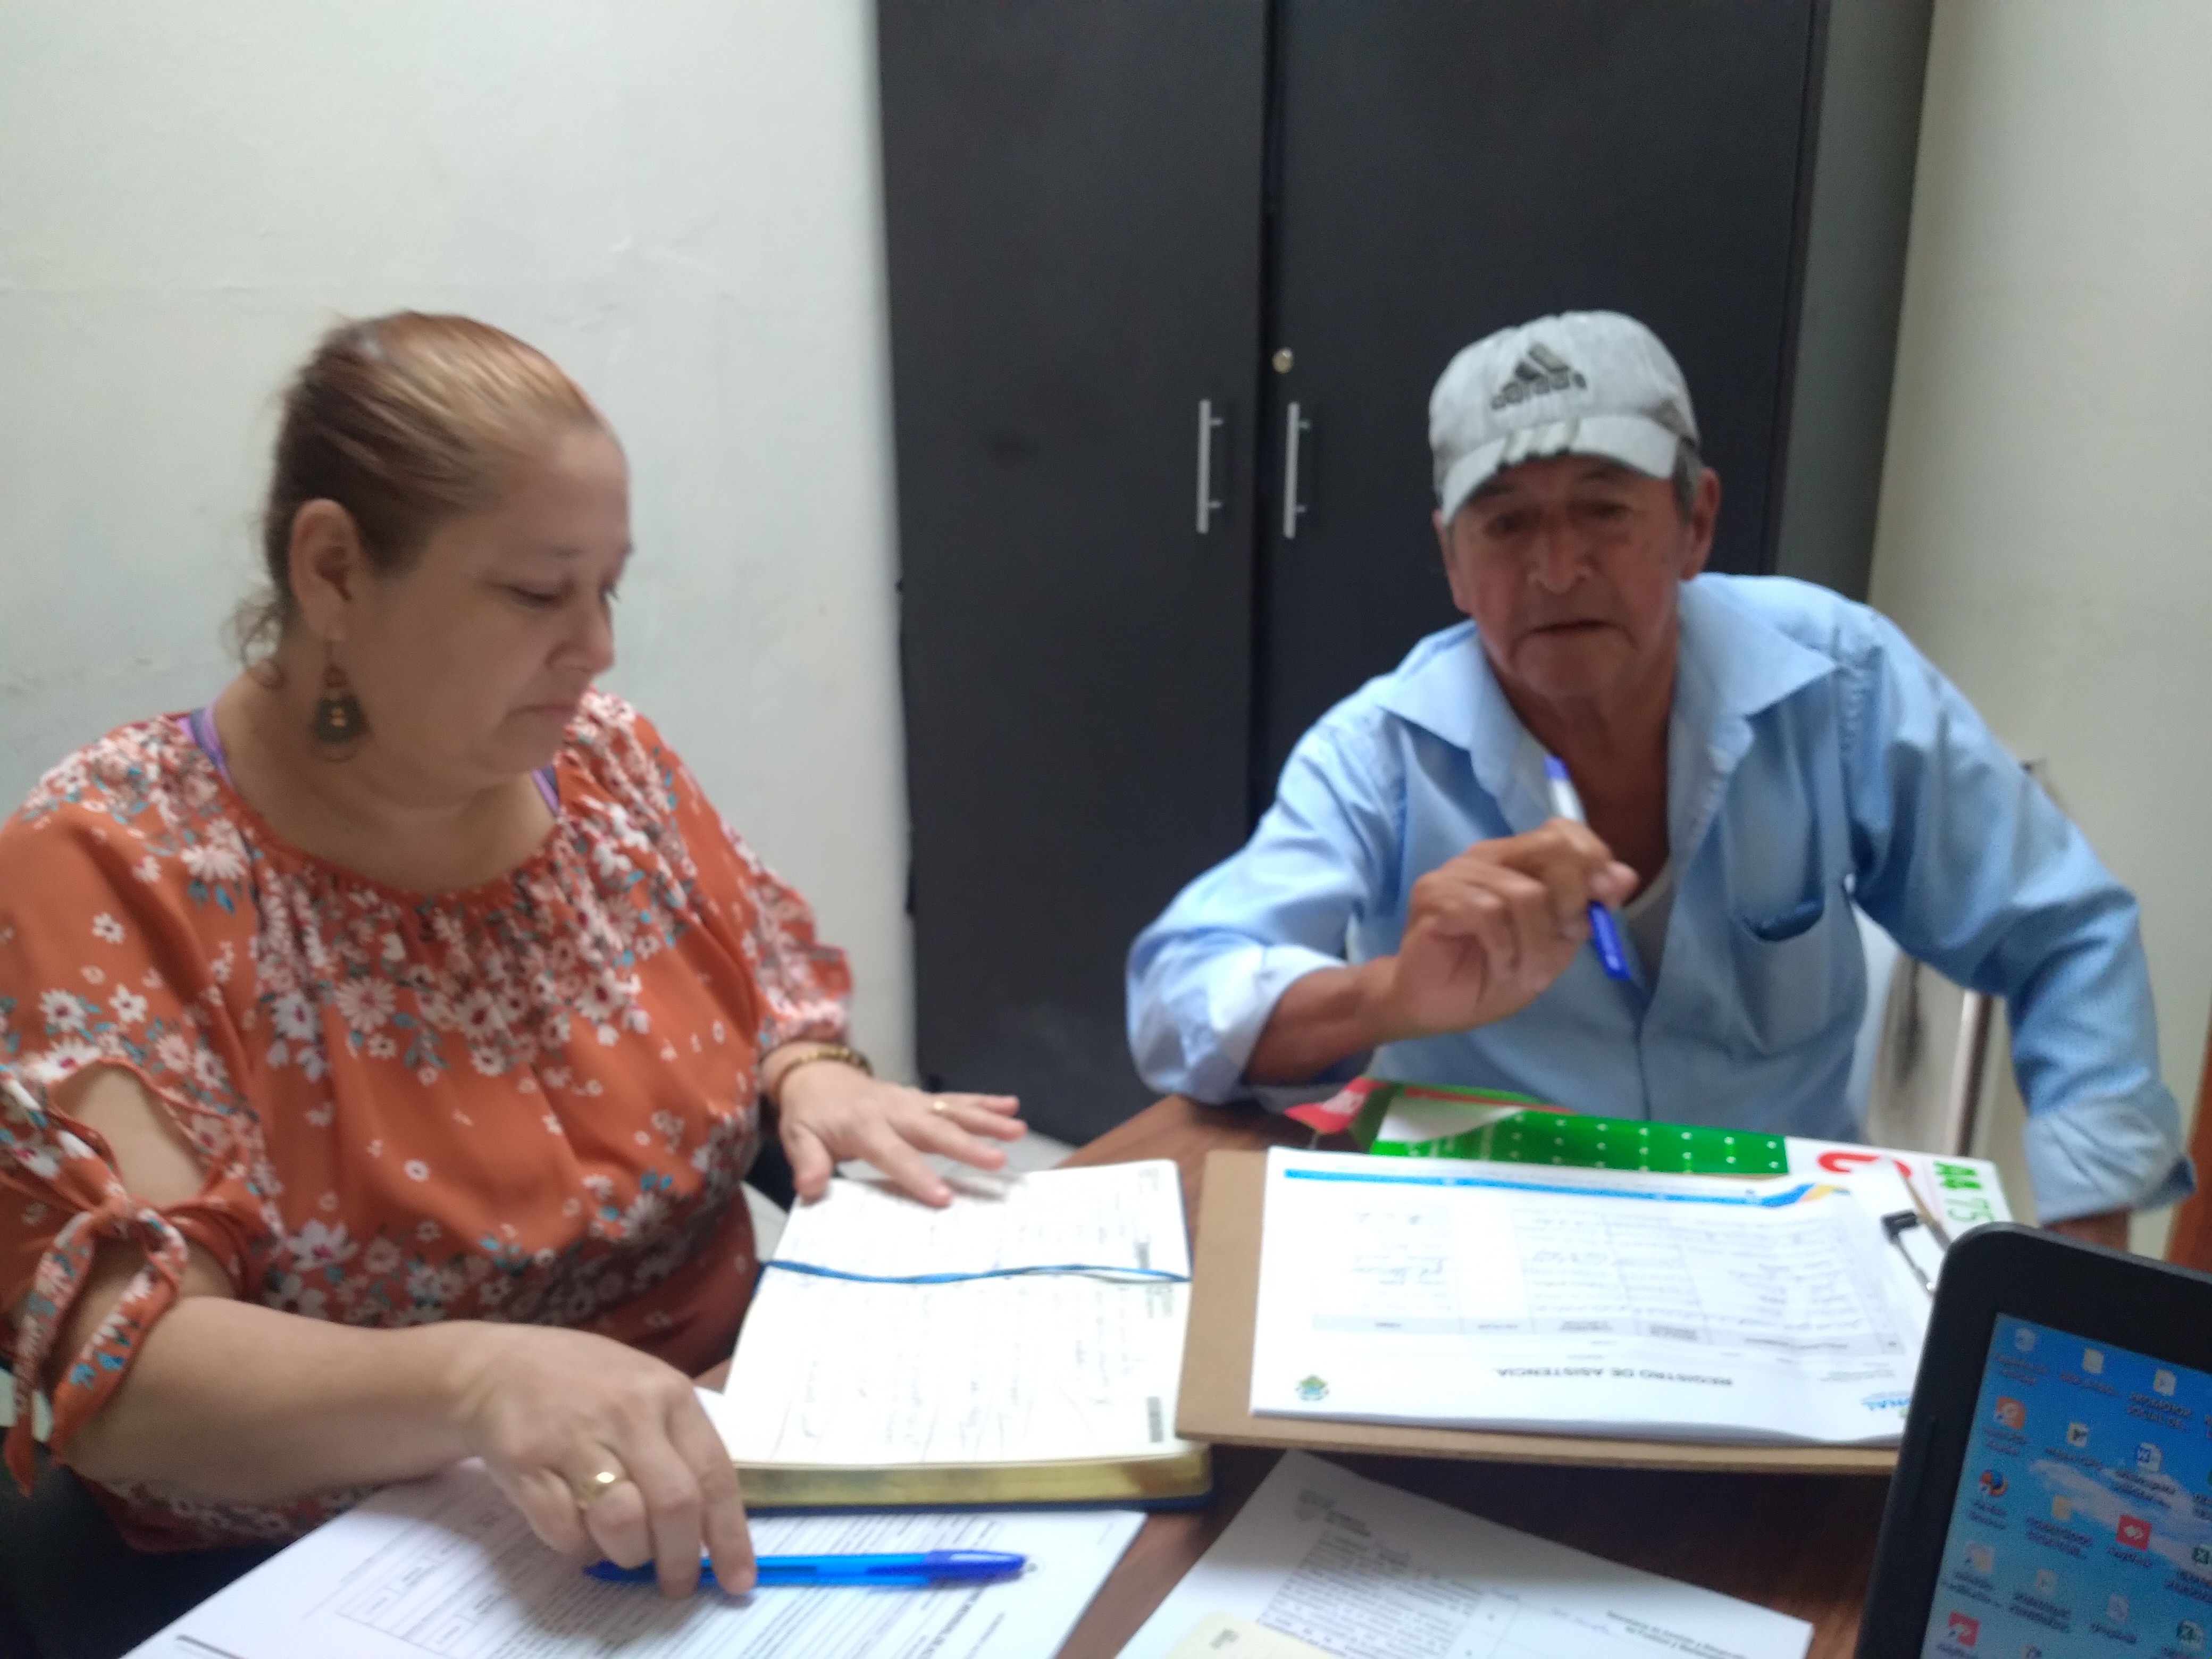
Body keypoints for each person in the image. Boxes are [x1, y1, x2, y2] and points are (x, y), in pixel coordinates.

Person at [0, 314, 1024, 1613]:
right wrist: (479, 1380)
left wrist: (810, 1070)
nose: (596, 647)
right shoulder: (115, 866)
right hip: (348, 1559)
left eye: (609, 589)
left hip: (715, 1464)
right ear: (334, 571)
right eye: (540, 595)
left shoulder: (605, 767)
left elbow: (767, 986)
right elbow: (131, 1373)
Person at [1127, 309, 2186, 1247]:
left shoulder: (1838, 680)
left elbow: (2064, 933)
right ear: (1452, 562)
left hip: (1785, 1240)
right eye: (1505, 522)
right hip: (1486, 1242)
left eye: (1604, 508)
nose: (1556, 569)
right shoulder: (1383, 750)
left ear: (1696, 522)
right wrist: (1390, 995)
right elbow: (1179, 994)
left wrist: (2081, 1256)